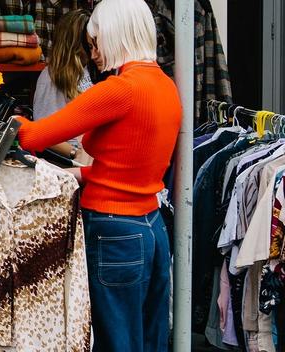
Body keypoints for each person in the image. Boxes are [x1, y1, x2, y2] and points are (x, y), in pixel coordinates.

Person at [15, 0, 181, 350]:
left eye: (95, 41)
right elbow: (132, 164)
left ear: (115, 35)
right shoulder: (166, 87)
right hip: (151, 227)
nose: (92, 52)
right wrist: (86, 174)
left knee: (116, 340)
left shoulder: (119, 90)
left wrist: (13, 123)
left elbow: (34, 136)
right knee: (149, 339)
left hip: (114, 231)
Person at [32, 9, 93, 164]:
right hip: (68, 163)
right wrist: (75, 153)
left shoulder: (91, 68)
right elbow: (42, 130)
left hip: (91, 157)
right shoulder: (51, 76)